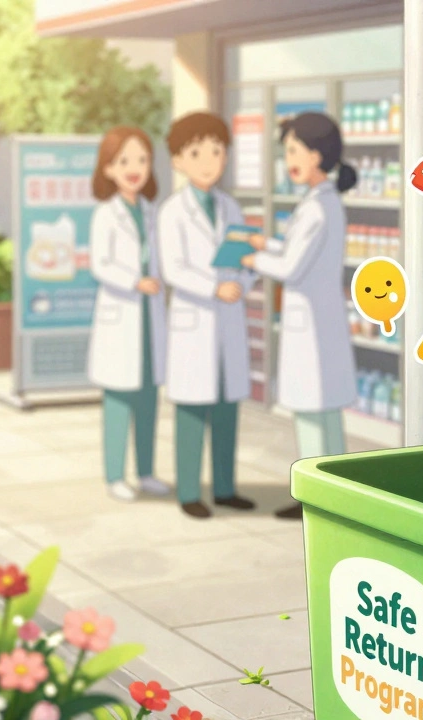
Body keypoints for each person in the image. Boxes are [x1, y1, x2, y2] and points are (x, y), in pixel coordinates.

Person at [242, 112, 358, 520]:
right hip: (320, 322)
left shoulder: (316, 209)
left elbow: (291, 268)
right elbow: (298, 253)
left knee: (312, 415)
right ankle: (338, 497)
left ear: (316, 155)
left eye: (294, 151)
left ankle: (315, 501)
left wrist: (253, 258)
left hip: (311, 329)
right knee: (325, 416)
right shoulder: (322, 202)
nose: (288, 160)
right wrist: (267, 243)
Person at [157, 112, 259, 519]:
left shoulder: (230, 207)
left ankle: (225, 488)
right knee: (192, 411)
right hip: (195, 321)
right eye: (196, 153)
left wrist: (243, 283)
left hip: (227, 319)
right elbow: (173, 269)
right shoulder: (172, 211)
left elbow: (244, 259)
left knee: (227, 409)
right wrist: (214, 288)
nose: (208, 162)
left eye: (216, 152)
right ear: (178, 160)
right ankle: (188, 492)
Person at [86, 126, 171, 503]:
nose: (134, 168)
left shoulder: (152, 212)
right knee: (119, 401)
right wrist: (135, 282)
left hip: (149, 320)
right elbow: (100, 264)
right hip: (122, 316)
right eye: (124, 161)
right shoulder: (106, 214)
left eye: (142, 160)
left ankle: (147, 472)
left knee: (148, 400)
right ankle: (115, 475)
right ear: (107, 168)